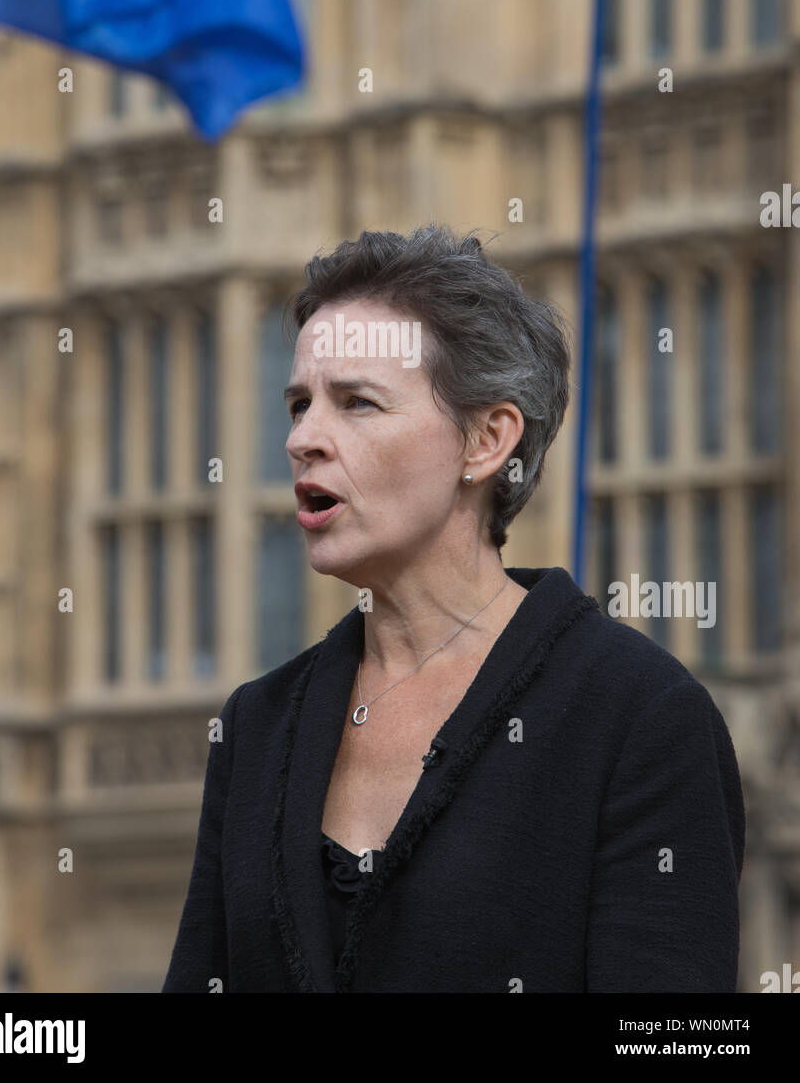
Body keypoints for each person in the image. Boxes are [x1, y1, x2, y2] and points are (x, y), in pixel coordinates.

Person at [161, 221, 744, 992]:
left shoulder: (641, 717)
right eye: (300, 403)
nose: (305, 437)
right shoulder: (256, 727)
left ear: (486, 440)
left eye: (357, 403)